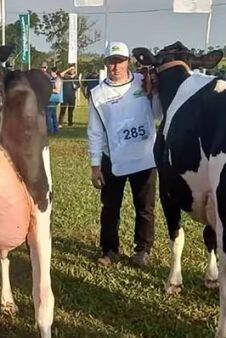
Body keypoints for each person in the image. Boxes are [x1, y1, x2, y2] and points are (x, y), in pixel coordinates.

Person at [87, 42, 160, 267]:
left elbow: (157, 113)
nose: (115, 67)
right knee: (110, 208)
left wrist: (153, 93)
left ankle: (142, 250)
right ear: (106, 64)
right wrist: (95, 165)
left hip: (145, 157)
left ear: (128, 61)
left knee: (145, 208)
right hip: (114, 160)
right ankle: (110, 251)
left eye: (119, 61)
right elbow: (95, 131)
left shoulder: (143, 82)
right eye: (111, 62)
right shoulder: (97, 94)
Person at [45, 66, 62, 135]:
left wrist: (47, 89)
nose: (51, 73)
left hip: (54, 99)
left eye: (52, 72)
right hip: (52, 98)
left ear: (55, 72)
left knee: (48, 114)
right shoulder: (53, 79)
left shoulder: (58, 80)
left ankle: (50, 130)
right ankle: (56, 130)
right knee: (53, 115)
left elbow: (57, 90)